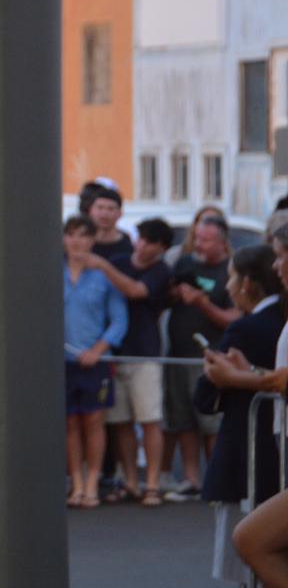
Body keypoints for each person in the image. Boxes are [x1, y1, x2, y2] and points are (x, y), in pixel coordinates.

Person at [193, 244, 284, 586]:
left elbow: (205, 396)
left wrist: (230, 378)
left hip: (253, 458)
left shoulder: (247, 328)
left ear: (246, 282)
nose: (227, 285)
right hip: (270, 452)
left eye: (231, 276)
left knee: (252, 547)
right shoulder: (276, 321)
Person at [75, 217, 173, 506]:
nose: (141, 245)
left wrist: (104, 266)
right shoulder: (120, 259)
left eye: (149, 241)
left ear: (162, 247)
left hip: (145, 353)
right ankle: (130, 480)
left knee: (150, 419)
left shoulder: (160, 271)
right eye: (140, 238)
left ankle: (152, 483)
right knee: (121, 423)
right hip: (114, 354)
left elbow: (135, 291)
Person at [163, 216, 240, 502]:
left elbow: (233, 318)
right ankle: (191, 478)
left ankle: (215, 479)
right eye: (197, 238)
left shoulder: (230, 272)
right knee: (183, 419)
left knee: (211, 423)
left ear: (222, 242)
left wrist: (202, 303)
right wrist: (174, 293)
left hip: (211, 357)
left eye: (206, 240)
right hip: (179, 353)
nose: (199, 245)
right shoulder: (185, 264)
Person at [61, 215, 128, 509]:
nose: (77, 242)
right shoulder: (54, 271)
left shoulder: (102, 275)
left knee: (94, 420)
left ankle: (92, 484)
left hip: (95, 360)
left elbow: (119, 319)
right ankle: (76, 483)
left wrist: (98, 350)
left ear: (92, 240)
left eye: (83, 236)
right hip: (62, 360)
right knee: (70, 423)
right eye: (71, 235)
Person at [88, 187, 132, 260]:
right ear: (90, 211)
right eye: (100, 208)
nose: (104, 214)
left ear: (120, 213)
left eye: (110, 209)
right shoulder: (80, 245)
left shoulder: (127, 248)